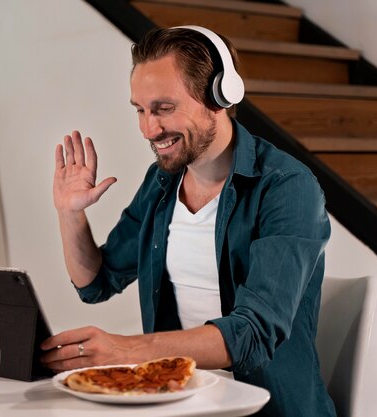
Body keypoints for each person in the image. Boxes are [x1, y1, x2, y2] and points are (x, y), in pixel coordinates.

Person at [40, 26, 336, 417]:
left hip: (266, 410)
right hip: (178, 403)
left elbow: (252, 334)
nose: (148, 129)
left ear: (220, 97)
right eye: (140, 110)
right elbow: (95, 282)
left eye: (164, 108)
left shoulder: (287, 188)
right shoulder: (162, 182)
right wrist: (69, 213)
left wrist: (125, 350)